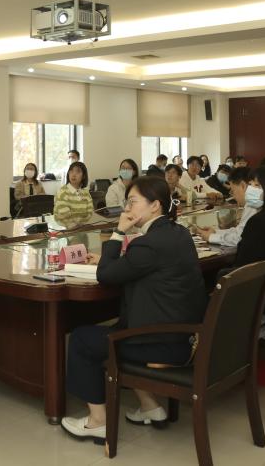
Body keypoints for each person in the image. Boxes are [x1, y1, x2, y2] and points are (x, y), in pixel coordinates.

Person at [61, 176, 206, 441]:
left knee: (82, 338)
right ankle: (150, 407)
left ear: (155, 205)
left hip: (162, 343)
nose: (127, 208)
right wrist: (114, 259)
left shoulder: (148, 244)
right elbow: (136, 264)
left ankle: (98, 422)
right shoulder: (178, 233)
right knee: (120, 326)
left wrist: (118, 232)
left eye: (132, 202)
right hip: (185, 336)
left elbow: (106, 275)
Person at [196, 167, 257, 246]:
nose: (233, 196)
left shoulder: (253, 205)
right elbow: (239, 231)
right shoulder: (251, 203)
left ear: (243, 186)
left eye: (233, 190)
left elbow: (240, 238)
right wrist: (215, 232)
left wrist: (211, 237)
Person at [55, 161, 94, 227]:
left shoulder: (86, 193)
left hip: (81, 227)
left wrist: (79, 221)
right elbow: (64, 214)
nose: (73, 174)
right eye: (71, 171)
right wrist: (80, 218)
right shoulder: (62, 192)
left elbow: (90, 212)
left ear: (84, 176)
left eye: (78, 172)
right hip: (64, 229)